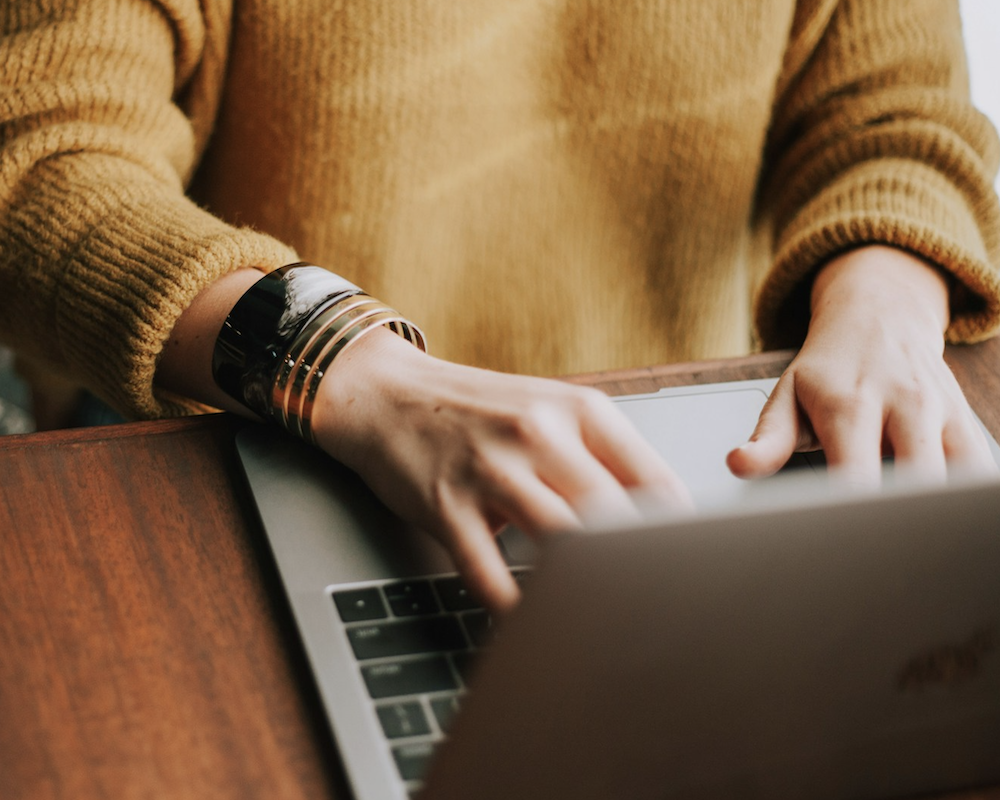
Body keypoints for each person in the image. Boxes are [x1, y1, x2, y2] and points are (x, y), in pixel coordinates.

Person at [2, 0, 999, 611]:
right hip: (262, 444)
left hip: (685, 465)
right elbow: (40, 162)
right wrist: (350, 366)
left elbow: (895, 108)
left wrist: (886, 297)